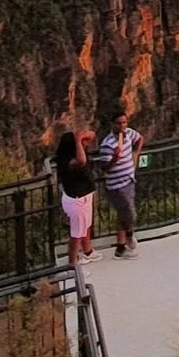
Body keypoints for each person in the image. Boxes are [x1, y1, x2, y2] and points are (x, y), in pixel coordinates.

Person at [96, 108, 144, 259]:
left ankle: (120, 248)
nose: (122, 126)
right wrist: (115, 158)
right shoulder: (107, 144)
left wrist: (135, 154)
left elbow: (140, 138)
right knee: (129, 214)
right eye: (119, 123)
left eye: (124, 122)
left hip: (129, 180)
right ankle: (129, 235)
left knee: (123, 215)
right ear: (112, 124)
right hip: (117, 186)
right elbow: (104, 168)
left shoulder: (128, 133)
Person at [54, 127, 97, 265]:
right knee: (76, 235)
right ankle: (73, 264)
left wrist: (79, 136)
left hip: (84, 197)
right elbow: (81, 161)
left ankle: (88, 252)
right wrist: (78, 140)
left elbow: (92, 134)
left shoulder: (77, 151)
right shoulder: (67, 161)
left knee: (85, 227)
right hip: (77, 201)